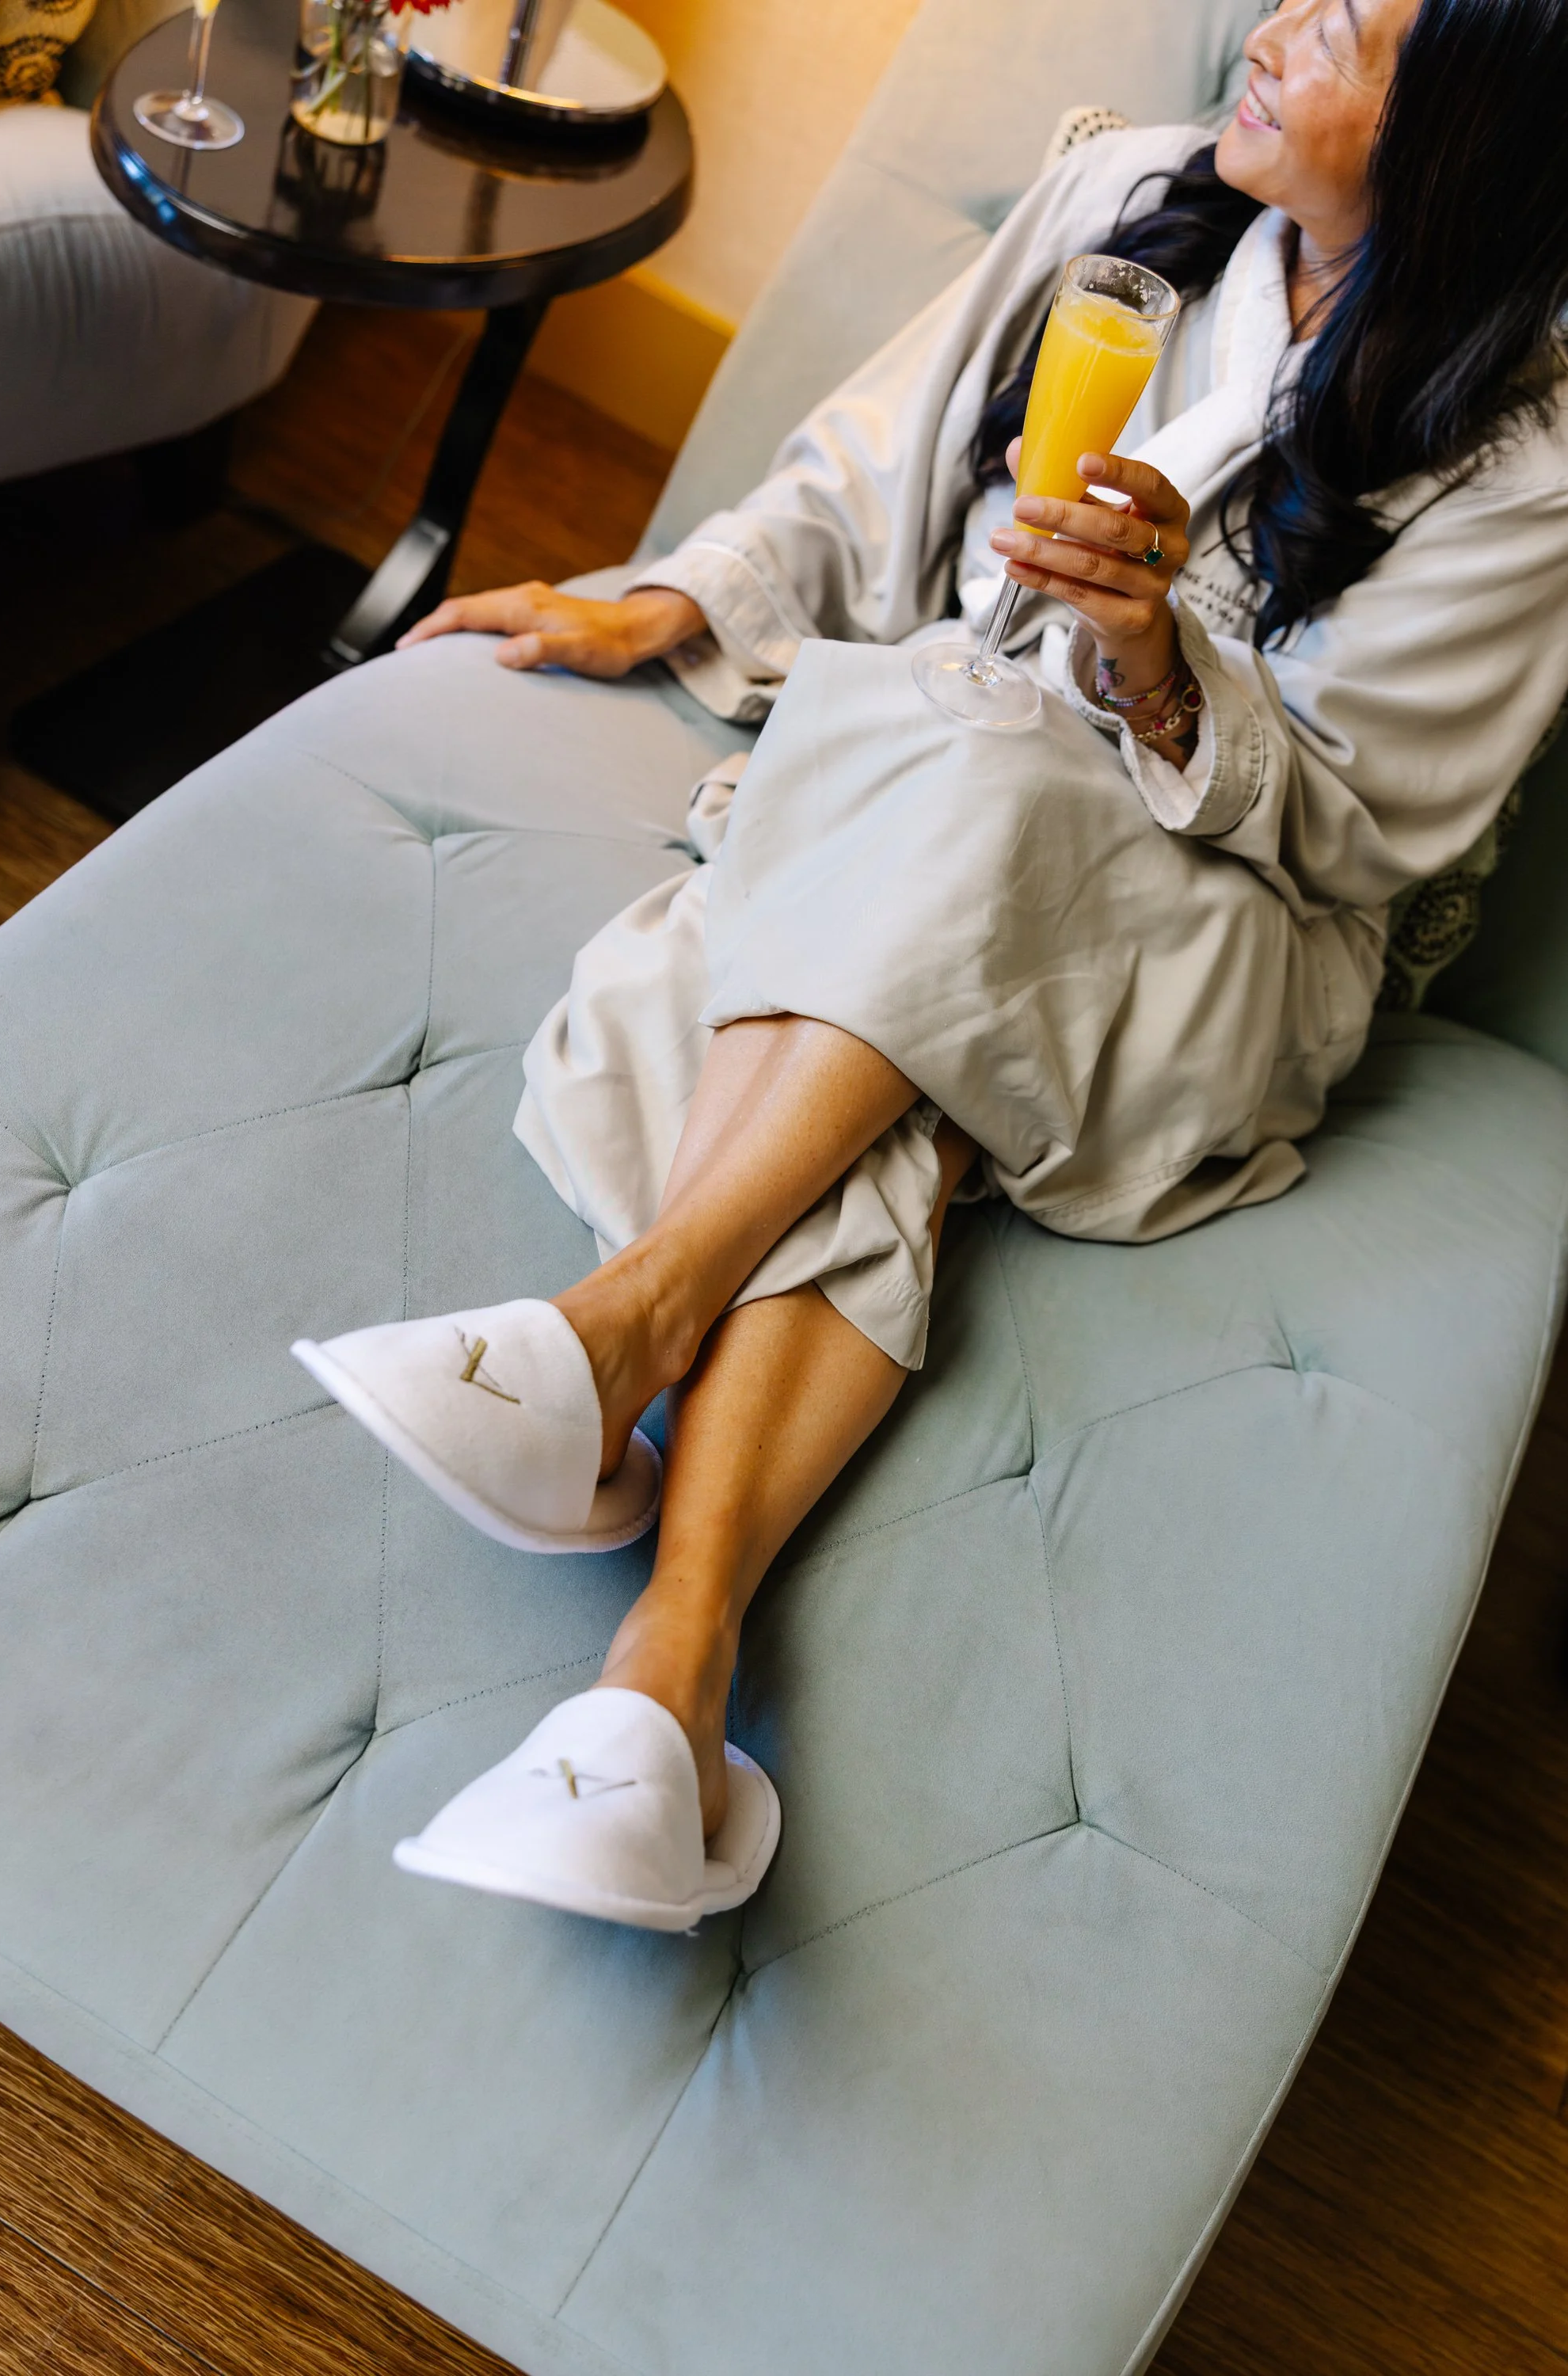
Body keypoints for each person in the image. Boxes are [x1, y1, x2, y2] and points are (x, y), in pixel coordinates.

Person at [294, 0, 1568, 1932]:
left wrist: (1157, 665)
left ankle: (626, 1322)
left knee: (964, 788)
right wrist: (665, 596)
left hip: (1222, 940)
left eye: (1354, 34)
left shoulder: (1527, 459)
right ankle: (666, 1688)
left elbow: (1361, 818)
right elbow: (862, 480)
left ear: (1470, 131)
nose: (1278, 26)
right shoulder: (1120, 204)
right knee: (914, 1031)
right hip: (929, 821)